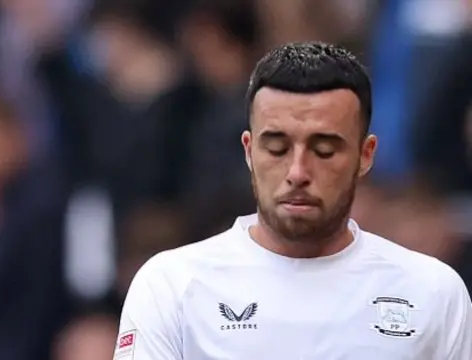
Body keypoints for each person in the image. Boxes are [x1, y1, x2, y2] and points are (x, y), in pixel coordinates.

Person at [113, 42, 472, 360]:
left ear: (366, 155)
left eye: (324, 149)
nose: (298, 170)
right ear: (249, 151)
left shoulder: (432, 293)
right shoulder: (172, 287)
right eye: (277, 148)